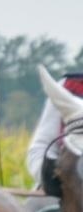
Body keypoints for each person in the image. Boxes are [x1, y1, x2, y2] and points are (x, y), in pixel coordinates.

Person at [28, 67, 83, 197]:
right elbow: (42, 147)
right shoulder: (69, 87)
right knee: (34, 208)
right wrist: (54, 182)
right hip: (65, 191)